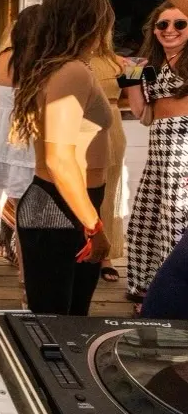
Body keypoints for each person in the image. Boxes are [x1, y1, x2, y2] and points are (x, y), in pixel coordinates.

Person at [11, 0, 113, 315]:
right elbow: (59, 158)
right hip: (59, 207)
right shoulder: (70, 72)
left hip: (70, 203)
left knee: (70, 316)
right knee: (57, 322)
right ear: (94, 19)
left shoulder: (67, 68)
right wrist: (93, 225)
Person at [125, 1, 188, 303]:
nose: (170, 30)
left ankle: (173, 297)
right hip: (160, 152)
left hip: (183, 151)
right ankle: (150, 291)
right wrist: (130, 78)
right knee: (148, 222)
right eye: (163, 24)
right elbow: (144, 114)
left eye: (180, 24)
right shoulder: (149, 64)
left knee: (176, 223)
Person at [0, 5, 40, 266]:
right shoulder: (43, 64)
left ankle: (14, 256)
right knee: (38, 210)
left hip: (6, 145)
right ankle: (29, 266)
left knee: (17, 202)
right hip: (35, 142)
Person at [89, 38, 128, 283]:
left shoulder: (121, 62)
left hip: (112, 124)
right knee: (85, 190)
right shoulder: (73, 58)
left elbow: (135, 96)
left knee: (109, 190)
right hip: (83, 122)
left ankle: (107, 256)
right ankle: (85, 246)